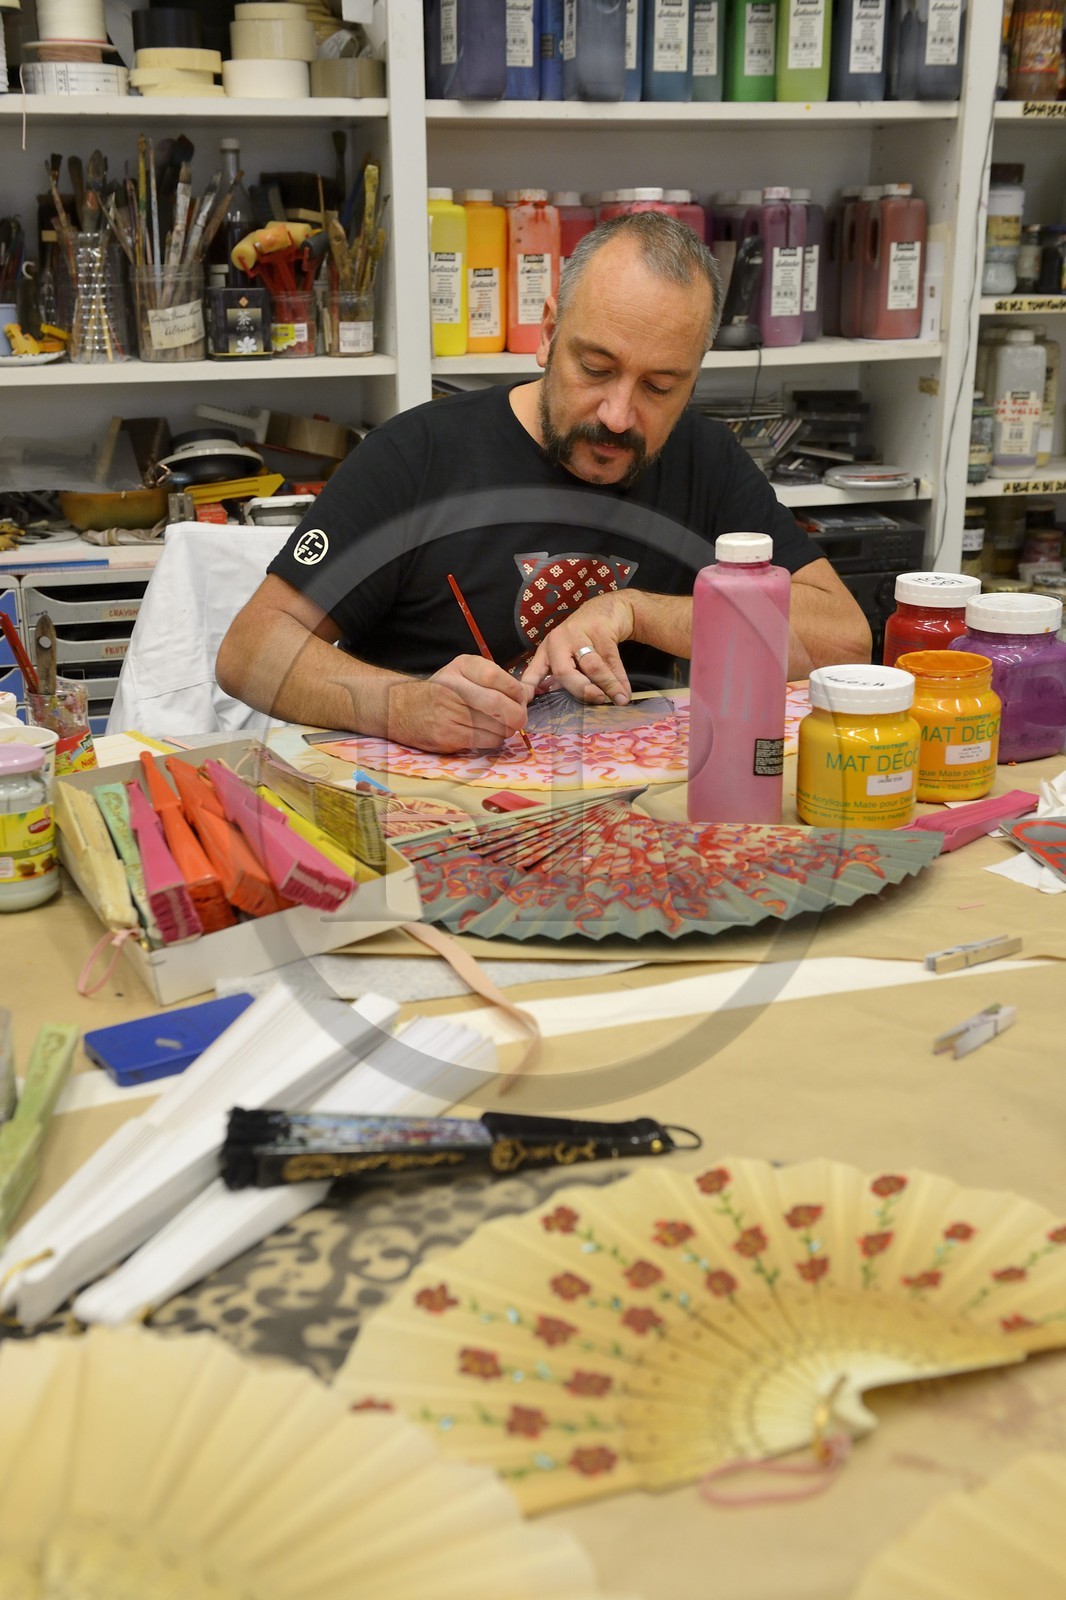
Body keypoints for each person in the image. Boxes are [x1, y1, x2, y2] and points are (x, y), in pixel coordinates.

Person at [217, 212, 871, 752]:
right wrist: (403, 705)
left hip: (636, 807)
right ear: (548, 332)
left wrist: (639, 611)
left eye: (659, 387)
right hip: (437, 811)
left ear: (694, 380)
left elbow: (840, 638)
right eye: (595, 368)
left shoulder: (706, 459)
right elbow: (250, 651)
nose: (619, 415)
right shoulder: (418, 457)